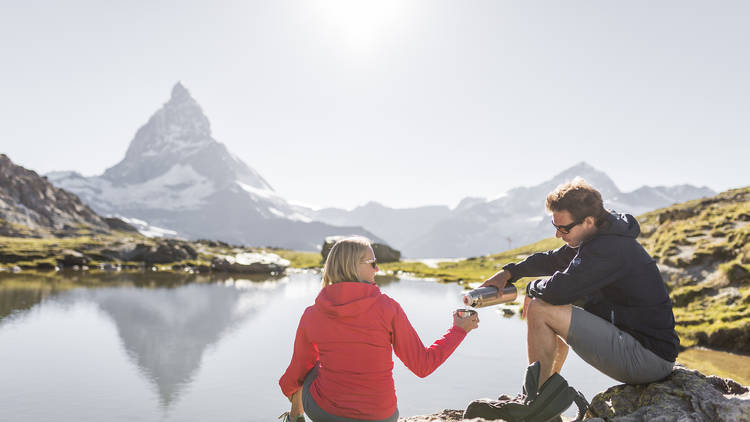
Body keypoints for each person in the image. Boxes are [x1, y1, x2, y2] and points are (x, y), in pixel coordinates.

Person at [481, 178, 679, 388]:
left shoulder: (608, 248)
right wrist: (509, 273)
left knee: (540, 308)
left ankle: (537, 401)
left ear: (588, 221)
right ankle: (546, 394)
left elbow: (559, 291)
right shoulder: (600, 236)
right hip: (641, 349)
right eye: (555, 226)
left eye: (564, 229)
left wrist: (531, 289)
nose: (558, 234)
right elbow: (554, 259)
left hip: (646, 359)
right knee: (555, 304)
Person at [279, 236, 479, 422]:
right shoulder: (388, 308)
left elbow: (297, 372)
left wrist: (290, 391)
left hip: (327, 414)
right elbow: (422, 365)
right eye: (372, 263)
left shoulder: (312, 314)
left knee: (309, 367)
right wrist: (459, 330)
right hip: (381, 417)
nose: (377, 269)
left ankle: (295, 417)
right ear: (352, 267)